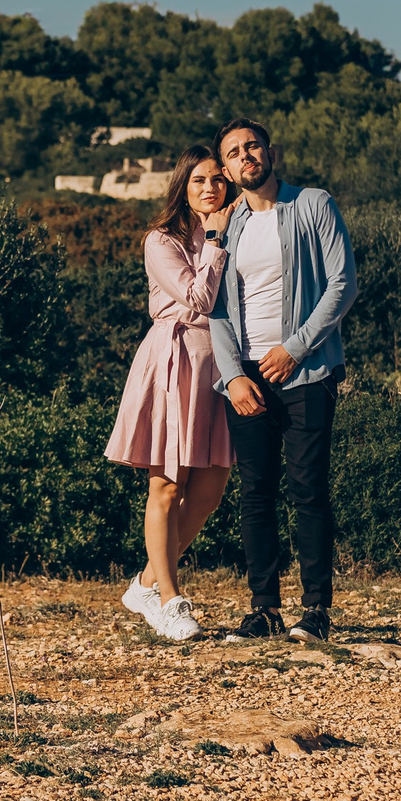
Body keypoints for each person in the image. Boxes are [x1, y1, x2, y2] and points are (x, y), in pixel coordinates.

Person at [207, 117, 358, 642]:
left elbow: (343, 284)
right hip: (246, 377)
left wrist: (295, 349)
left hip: (307, 370)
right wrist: (232, 376)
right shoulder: (229, 225)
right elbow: (215, 306)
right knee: (256, 493)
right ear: (227, 170)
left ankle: (316, 611)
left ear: (270, 152)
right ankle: (265, 610)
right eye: (233, 153)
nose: (245, 156)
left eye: (252, 146)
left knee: (308, 488)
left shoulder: (312, 204)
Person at [105, 144, 238, 640]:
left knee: (209, 491)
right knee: (166, 485)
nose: (210, 187)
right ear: (182, 186)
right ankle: (169, 600)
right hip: (176, 359)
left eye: (217, 179)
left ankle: (144, 583)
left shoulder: (233, 229)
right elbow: (199, 297)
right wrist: (216, 240)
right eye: (199, 179)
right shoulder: (161, 240)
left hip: (222, 363)